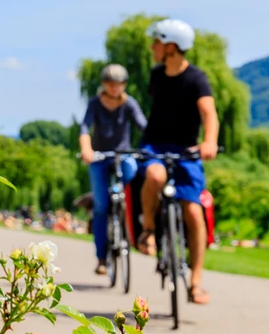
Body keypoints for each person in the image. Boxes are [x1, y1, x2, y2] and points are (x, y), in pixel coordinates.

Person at [136, 19, 219, 305]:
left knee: (194, 212)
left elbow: (209, 113)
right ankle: (148, 230)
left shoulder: (196, 78)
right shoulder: (156, 75)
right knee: (155, 177)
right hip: (155, 145)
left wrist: (209, 142)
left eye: (157, 42)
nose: (152, 47)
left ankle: (196, 282)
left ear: (171, 46)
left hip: (187, 150)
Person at [79, 64, 148, 275]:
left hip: (123, 154)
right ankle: (102, 258)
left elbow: (143, 125)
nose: (114, 87)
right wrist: (87, 150)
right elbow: (85, 127)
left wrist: (151, 146)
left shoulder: (129, 103)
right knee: (101, 207)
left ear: (124, 85)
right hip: (99, 157)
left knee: (133, 171)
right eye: (110, 83)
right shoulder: (95, 103)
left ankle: (126, 207)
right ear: (104, 84)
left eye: (118, 84)